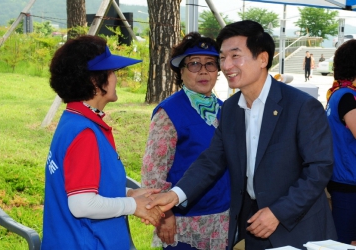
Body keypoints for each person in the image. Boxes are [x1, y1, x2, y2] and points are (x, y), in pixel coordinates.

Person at [146, 20, 337, 250]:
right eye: (223, 58)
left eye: (235, 56)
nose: (227, 66)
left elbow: (319, 168)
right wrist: (175, 195)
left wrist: (278, 212)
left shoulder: (301, 106)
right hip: (252, 227)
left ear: (263, 59)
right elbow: (211, 161)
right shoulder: (229, 109)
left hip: (298, 228)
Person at [41, 35, 163, 249]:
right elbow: (81, 204)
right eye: (112, 72)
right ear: (95, 82)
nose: (116, 78)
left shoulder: (73, 120)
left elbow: (84, 185)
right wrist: (132, 205)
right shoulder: (84, 133)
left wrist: (128, 193)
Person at [141, 32, 230, 250]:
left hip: (223, 219)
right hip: (184, 222)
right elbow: (153, 171)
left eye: (210, 64)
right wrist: (165, 214)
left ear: (218, 71)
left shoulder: (226, 109)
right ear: (181, 71)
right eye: (194, 64)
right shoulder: (169, 112)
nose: (203, 71)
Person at [326, 39, 356, 246]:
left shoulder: (337, 93)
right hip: (349, 182)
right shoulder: (347, 97)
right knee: (344, 242)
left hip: (343, 178)